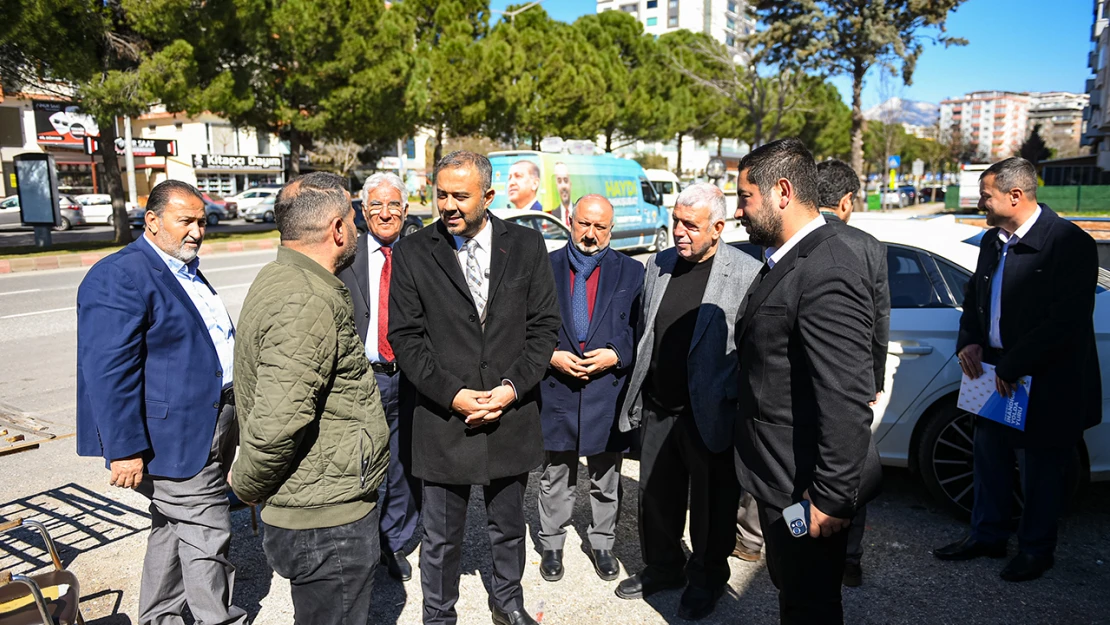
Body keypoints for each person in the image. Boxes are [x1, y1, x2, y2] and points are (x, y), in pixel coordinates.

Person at [389, 150, 561, 625]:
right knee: (441, 536)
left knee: (508, 526)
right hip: (446, 420)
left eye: (459, 196)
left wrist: (510, 389)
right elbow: (405, 338)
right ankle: (439, 615)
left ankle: (508, 603)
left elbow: (544, 328)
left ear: (487, 195)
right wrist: (454, 395)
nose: (447, 205)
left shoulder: (527, 246)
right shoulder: (413, 252)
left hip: (511, 414)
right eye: (440, 194)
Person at [76, 179, 248, 625]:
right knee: (208, 529)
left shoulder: (181, 266)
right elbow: (108, 372)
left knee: (173, 528)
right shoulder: (121, 274)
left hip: (211, 421)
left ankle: (159, 618)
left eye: (202, 221)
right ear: (151, 221)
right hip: (171, 436)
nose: (197, 231)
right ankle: (218, 619)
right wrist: (124, 449)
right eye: (185, 221)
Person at [231, 172, 391, 625]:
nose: (358, 229)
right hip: (325, 523)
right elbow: (276, 424)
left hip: (319, 509)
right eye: (354, 220)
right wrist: (244, 487)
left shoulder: (285, 275)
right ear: (338, 230)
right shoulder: (306, 299)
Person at [733, 138, 881, 625]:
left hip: (808, 488)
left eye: (744, 197)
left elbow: (845, 396)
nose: (738, 212)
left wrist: (832, 496)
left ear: (781, 192)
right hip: (779, 474)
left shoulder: (828, 268)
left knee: (810, 604)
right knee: (793, 589)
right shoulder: (788, 257)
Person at [933, 157, 1101, 582]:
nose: (979, 202)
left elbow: (1067, 321)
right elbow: (974, 297)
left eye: (985, 195)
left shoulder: (1068, 243)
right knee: (988, 458)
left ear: (1015, 195)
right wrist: (968, 338)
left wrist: (1015, 363)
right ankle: (987, 536)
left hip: (1044, 381)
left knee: (1040, 472)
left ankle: (1035, 551)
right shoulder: (993, 241)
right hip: (994, 375)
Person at [614, 183, 761, 621]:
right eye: (676, 221)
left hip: (712, 412)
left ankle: (707, 578)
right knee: (656, 496)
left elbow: (752, 348)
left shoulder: (746, 271)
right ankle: (664, 567)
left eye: (689, 225)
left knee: (712, 508)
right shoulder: (659, 263)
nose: (678, 231)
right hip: (661, 405)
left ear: (718, 228)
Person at [537, 194, 644, 584]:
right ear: (570, 220)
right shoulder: (544, 267)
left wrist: (616, 355)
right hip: (557, 386)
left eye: (601, 227)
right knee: (555, 475)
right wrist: (549, 356)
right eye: (585, 224)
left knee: (606, 476)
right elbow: (522, 324)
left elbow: (641, 329)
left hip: (606, 390)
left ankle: (602, 543)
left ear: (611, 230)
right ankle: (551, 544)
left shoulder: (632, 272)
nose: (591, 234)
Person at [338, 172, 422, 582]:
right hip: (361, 378)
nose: (385, 213)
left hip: (410, 378)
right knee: (359, 463)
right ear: (363, 210)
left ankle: (394, 541)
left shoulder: (423, 254)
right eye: (376, 205)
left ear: (405, 211)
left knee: (405, 463)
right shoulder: (345, 255)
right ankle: (362, 542)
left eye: (393, 205)